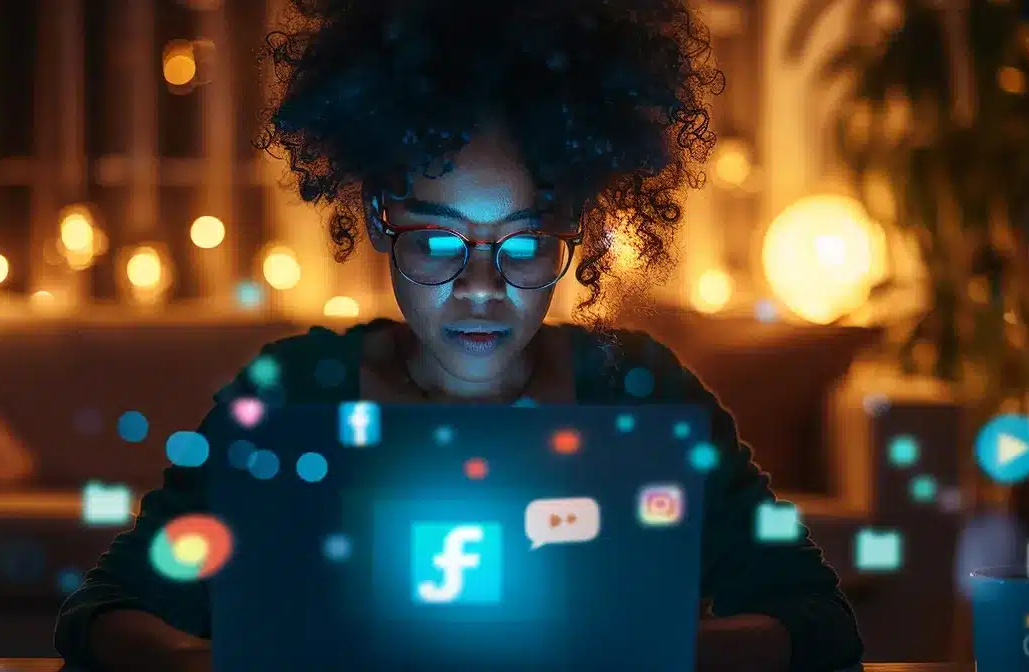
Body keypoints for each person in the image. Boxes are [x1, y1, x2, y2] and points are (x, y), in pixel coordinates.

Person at [56, 1, 864, 670]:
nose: (480, 288)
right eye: (437, 242)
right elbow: (104, 615)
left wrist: (636, 652)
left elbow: (817, 626)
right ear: (378, 217)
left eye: (523, 245)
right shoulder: (294, 391)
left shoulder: (640, 389)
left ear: (574, 230)